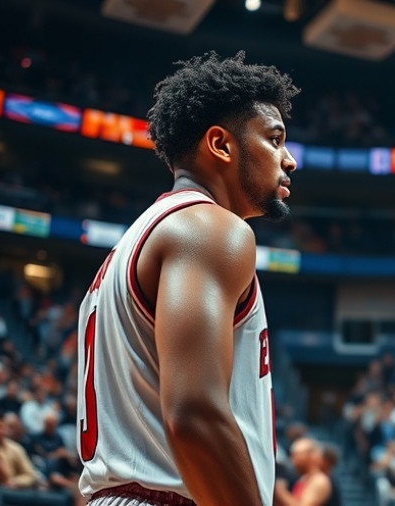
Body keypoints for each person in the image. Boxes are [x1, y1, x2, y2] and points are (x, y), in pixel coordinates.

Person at [76, 51, 299, 506]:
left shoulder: (135, 242)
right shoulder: (209, 229)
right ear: (220, 145)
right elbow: (194, 414)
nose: (289, 160)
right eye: (275, 140)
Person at [274, 438, 333, 506]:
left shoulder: (319, 480)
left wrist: (281, 492)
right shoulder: (303, 478)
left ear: (311, 455)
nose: (292, 459)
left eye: (296, 454)